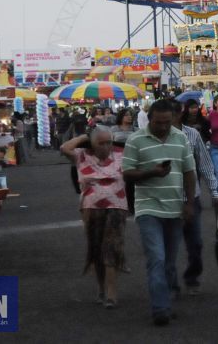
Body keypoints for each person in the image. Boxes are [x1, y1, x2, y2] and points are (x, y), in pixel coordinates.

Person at [123, 99, 196, 326]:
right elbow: (127, 173)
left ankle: (165, 300)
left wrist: (189, 203)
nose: (163, 126)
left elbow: (189, 172)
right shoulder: (136, 140)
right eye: (158, 122)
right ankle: (160, 309)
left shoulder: (180, 137)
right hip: (147, 207)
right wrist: (151, 172)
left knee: (169, 262)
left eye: (167, 122)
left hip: (174, 208)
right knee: (157, 258)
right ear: (149, 118)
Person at [61, 126, 128, 309]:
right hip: (91, 206)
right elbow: (64, 148)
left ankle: (111, 292)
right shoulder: (81, 154)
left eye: (109, 142)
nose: (106, 147)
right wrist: (85, 137)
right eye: (101, 143)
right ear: (91, 143)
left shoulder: (122, 153)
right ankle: (101, 287)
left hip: (116, 205)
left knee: (111, 247)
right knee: (96, 248)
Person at [170, 99, 218, 296]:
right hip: (166, 198)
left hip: (192, 196)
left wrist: (214, 192)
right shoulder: (156, 136)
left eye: (173, 115)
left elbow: (205, 165)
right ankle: (171, 283)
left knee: (196, 243)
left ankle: (192, 276)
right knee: (169, 245)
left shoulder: (192, 134)